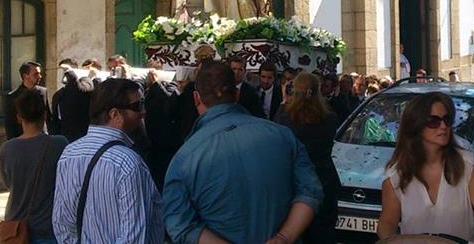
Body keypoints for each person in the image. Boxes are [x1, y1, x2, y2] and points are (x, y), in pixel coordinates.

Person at [163, 61, 323, 244]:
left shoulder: (185, 157)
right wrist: (283, 237)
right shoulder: (283, 136)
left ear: (196, 98)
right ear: (237, 94)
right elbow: (311, 192)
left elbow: (180, 224)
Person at [52, 79, 163, 244]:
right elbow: (133, 238)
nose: (144, 111)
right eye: (138, 105)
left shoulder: (69, 153)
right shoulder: (128, 163)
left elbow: (62, 224)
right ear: (114, 114)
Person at [377, 92, 474, 243]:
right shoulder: (396, 174)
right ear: (416, 125)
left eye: (447, 120)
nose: (443, 126)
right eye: (433, 121)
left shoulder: (468, 165)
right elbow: (388, 221)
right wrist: (388, 240)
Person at [276, 73, 340, 244]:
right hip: (324, 178)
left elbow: (277, 137)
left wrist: (284, 102)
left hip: (295, 182)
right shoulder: (330, 118)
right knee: (323, 233)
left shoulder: (285, 117)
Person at [0, 89, 68, 244]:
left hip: (15, 229)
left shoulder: (7, 149)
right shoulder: (60, 144)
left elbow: (8, 184)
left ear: (19, 117)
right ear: (44, 115)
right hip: (48, 227)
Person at [5, 61, 52, 140]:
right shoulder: (13, 97)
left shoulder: (43, 92)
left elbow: (48, 117)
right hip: (22, 140)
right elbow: (9, 125)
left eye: (40, 73)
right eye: (36, 74)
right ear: (25, 76)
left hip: (43, 139)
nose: (40, 76)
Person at [51, 59, 93, 143]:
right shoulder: (59, 94)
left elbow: (82, 90)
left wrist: (70, 72)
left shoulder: (85, 84)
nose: (64, 74)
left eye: (66, 71)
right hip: (65, 138)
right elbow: (55, 121)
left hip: (83, 136)